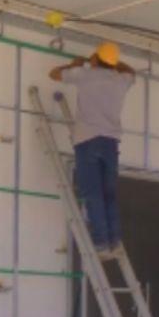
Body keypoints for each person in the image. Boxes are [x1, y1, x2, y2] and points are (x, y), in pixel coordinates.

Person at [50, 42, 135, 257]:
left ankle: (100, 243)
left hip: (88, 141)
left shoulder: (85, 74)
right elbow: (131, 72)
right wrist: (108, 63)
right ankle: (114, 241)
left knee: (93, 194)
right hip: (110, 143)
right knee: (109, 194)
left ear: (97, 59)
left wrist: (77, 63)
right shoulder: (121, 80)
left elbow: (54, 74)